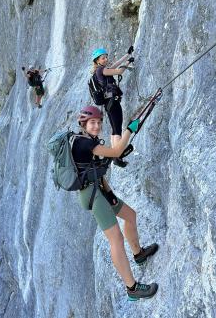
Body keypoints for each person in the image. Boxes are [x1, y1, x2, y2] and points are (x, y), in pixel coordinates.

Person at [72, 105, 159, 301]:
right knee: (116, 239)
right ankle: (132, 288)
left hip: (99, 190)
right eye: (92, 123)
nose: (96, 126)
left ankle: (138, 254)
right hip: (93, 196)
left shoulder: (87, 140)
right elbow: (117, 150)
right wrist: (130, 128)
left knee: (130, 215)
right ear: (83, 124)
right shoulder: (84, 144)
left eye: (99, 123)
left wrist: (110, 193)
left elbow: (96, 169)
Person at [91, 47, 135, 167]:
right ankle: (117, 155)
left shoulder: (100, 70)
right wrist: (129, 62)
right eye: (103, 58)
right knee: (117, 129)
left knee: (115, 128)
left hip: (109, 103)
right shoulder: (101, 71)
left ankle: (115, 153)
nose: (105, 59)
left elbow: (115, 65)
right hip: (112, 102)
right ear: (97, 61)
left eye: (106, 57)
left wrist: (127, 55)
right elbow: (119, 71)